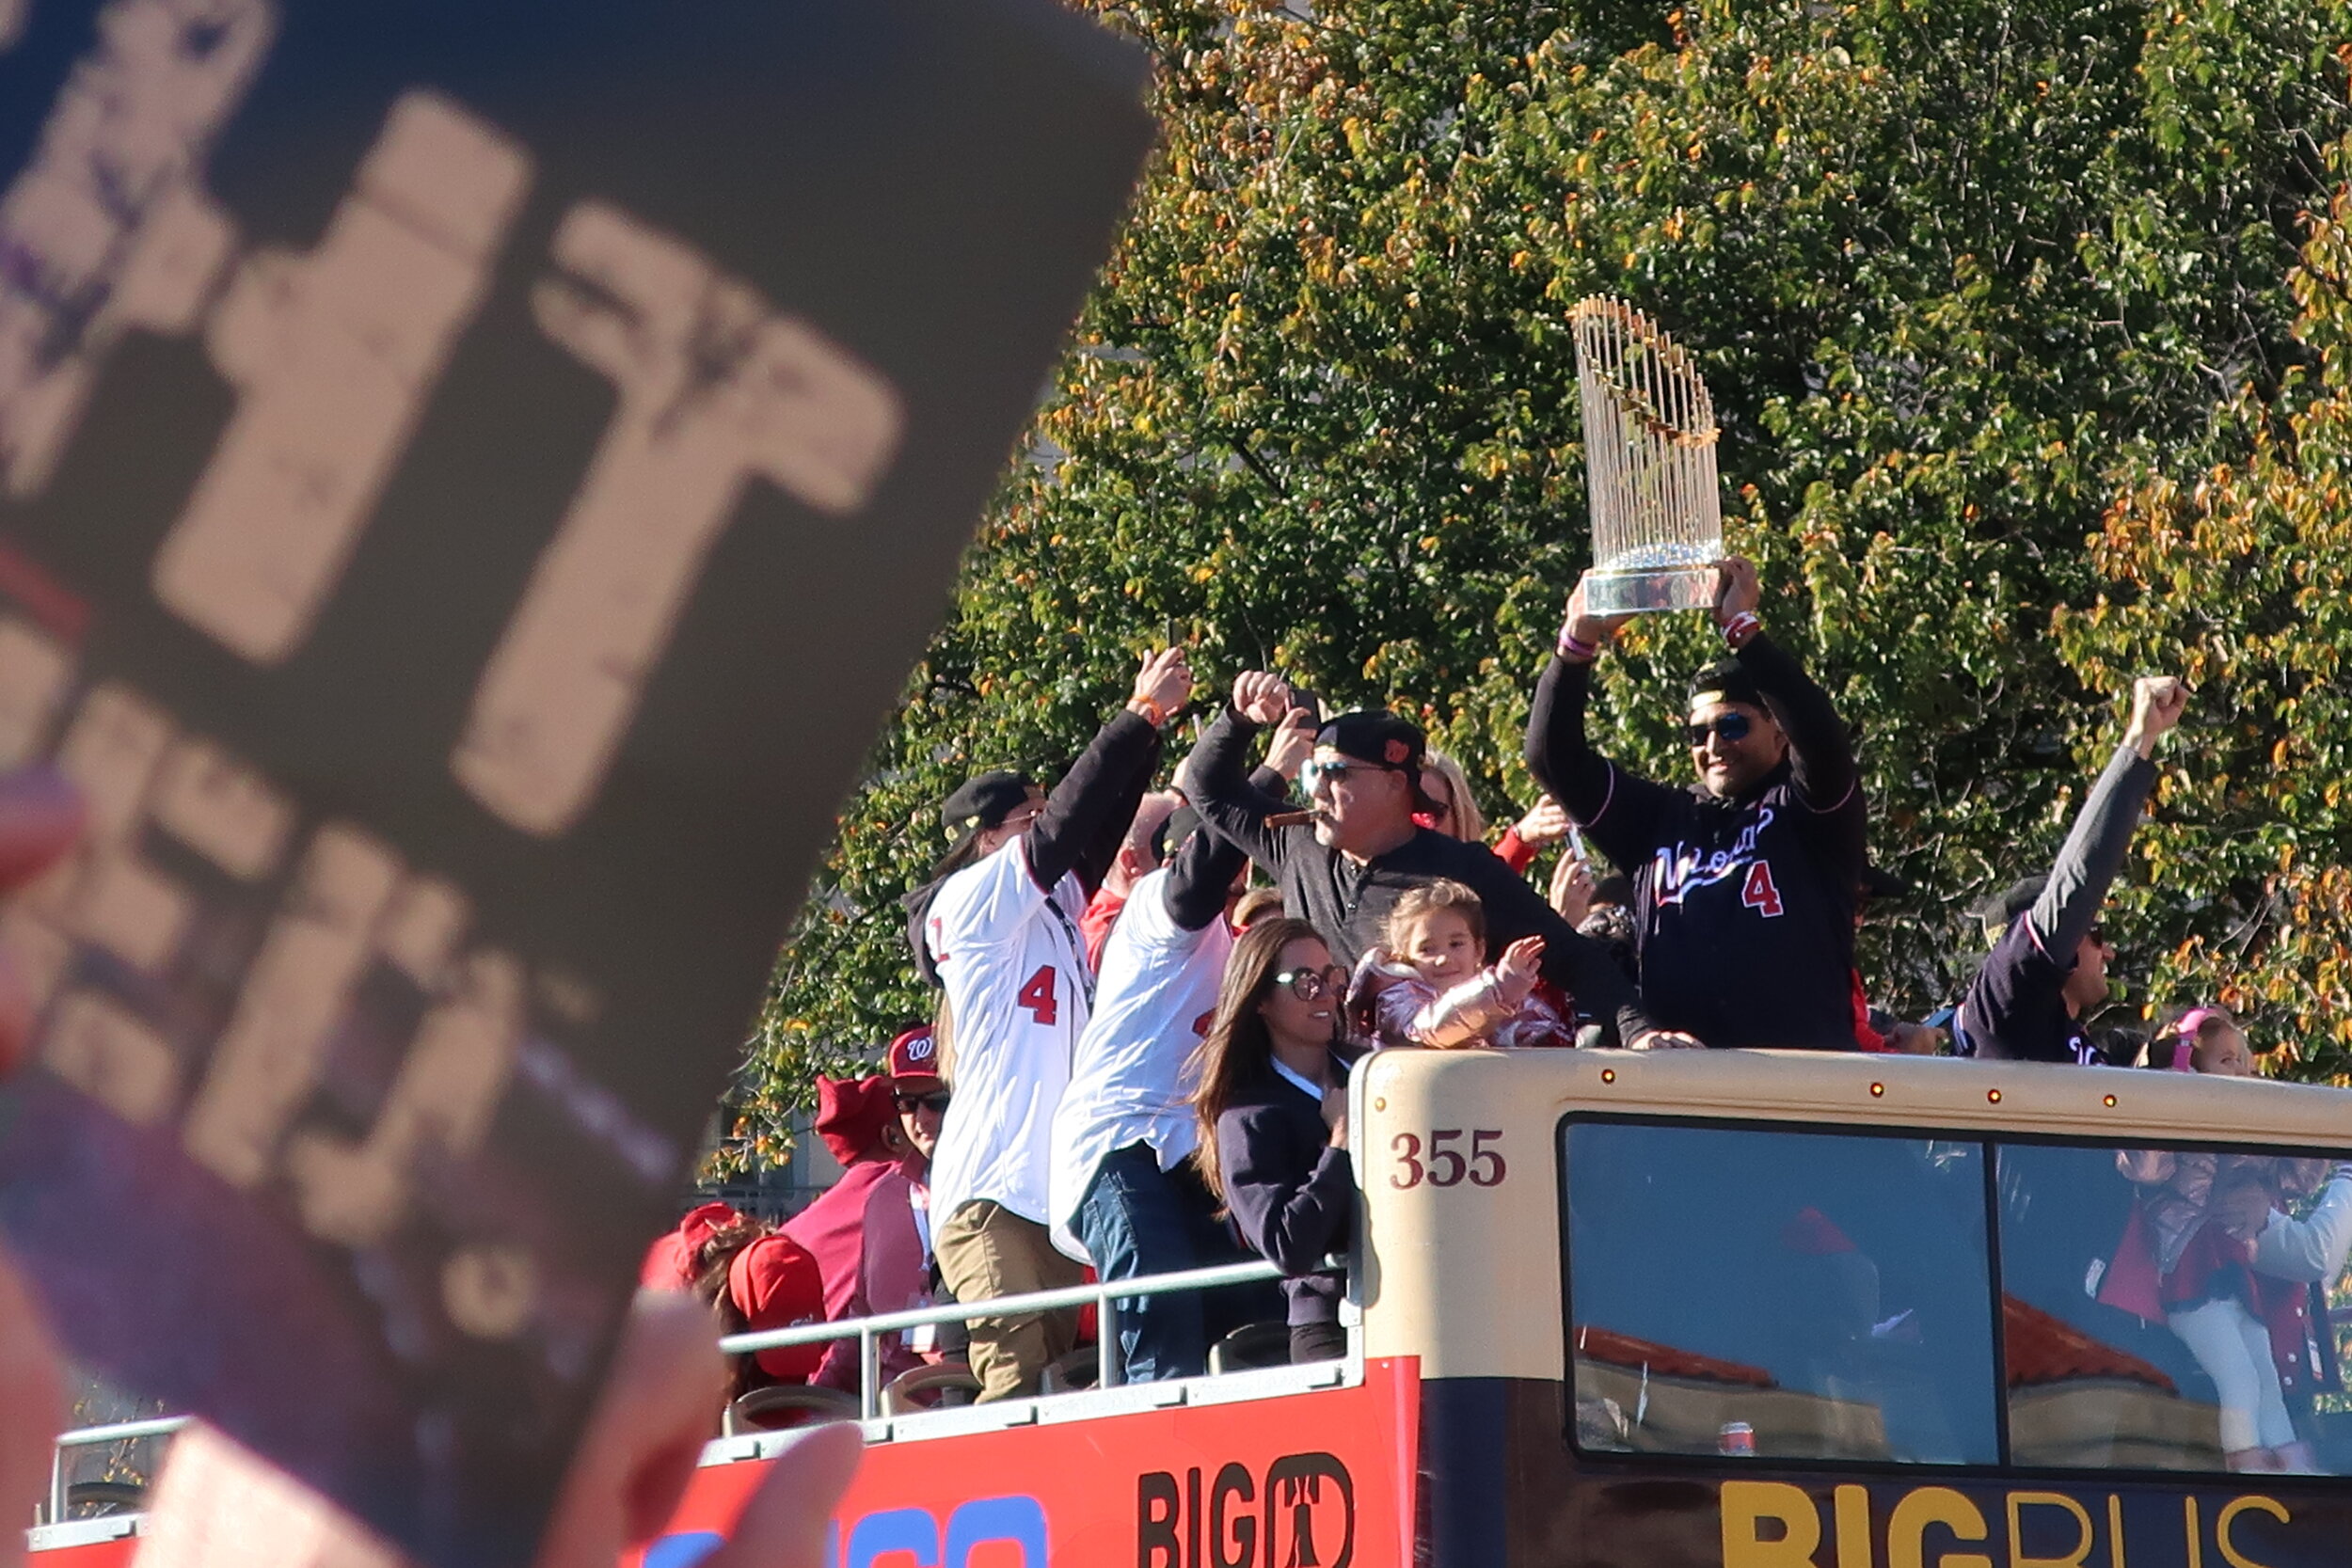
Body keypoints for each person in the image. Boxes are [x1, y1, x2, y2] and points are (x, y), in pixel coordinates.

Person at [912, 647, 1194, 1401]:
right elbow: (1071, 823)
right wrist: (1137, 714)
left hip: (1054, 1194)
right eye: (1027, 818)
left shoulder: (1054, 910)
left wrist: (1153, 734)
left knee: (1062, 1388)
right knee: (1013, 1385)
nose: (1048, 826)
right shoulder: (969, 901)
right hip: (992, 1193)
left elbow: (1092, 831)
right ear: (984, 839)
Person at [1181, 673, 1683, 1049]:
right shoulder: (1298, 845)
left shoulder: (1461, 870)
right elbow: (1208, 790)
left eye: (1336, 772)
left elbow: (1575, 958)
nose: (1317, 787)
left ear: (1396, 782)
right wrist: (1238, 718)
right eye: (1314, 771)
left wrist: (1640, 1033)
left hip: (1422, 1109)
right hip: (1319, 1096)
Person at [1526, 557, 1868, 1050]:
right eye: (1697, 732)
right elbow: (1551, 759)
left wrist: (1743, 632)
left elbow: (1822, 739)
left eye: (1732, 726)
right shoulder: (1658, 820)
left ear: (1778, 732)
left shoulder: (1808, 810)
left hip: (1801, 1087)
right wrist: (1576, 644)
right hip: (1685, 1090)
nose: (1713, 744)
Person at [1048, 804, 1263, 1382]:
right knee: (1162, 1313)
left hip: (1188, 1148)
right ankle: (1153, 1448)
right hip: (1121, 1140)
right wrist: (1261, 775)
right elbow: (1200, 879)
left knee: (1251, 1310)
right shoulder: (1152, 908)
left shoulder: (1233, 940)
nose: (1238, 873)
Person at [1953, 675, 2189, 1062]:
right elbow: (2080, 880)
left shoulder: (2062, 1034)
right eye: (2094, 934)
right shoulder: (2009, 1003)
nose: (2110, 952)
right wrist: (2139, 739)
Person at [1191, 918, 1365, 1364]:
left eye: (1331, 977)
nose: (1326, 994)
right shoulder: (1247, 1116)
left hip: (1416, 1308)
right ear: (1261, 1000)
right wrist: (1340, 1145)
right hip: (1331, 1325)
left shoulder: (1373, 1071)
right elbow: (1289, 1246)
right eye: (1305, 983)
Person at [1349, 879, 1575, 1050]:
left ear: (1478, 950)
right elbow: (1431, 1029)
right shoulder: (1396, 999)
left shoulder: (1499, 997)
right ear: (1404, 956)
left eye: (1456, 944)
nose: (1443, 958)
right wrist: (1496, 991)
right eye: (1427, 949)